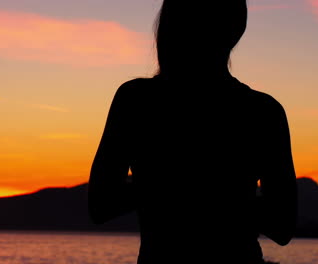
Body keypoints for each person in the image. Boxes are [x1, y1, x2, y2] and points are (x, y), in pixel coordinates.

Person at [88, 1, 297, 263]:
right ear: (237, 28)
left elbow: (101, 203)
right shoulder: (263, 111)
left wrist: (162, 184)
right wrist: (225, 192)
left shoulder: (136, 100)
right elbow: (283, 225)